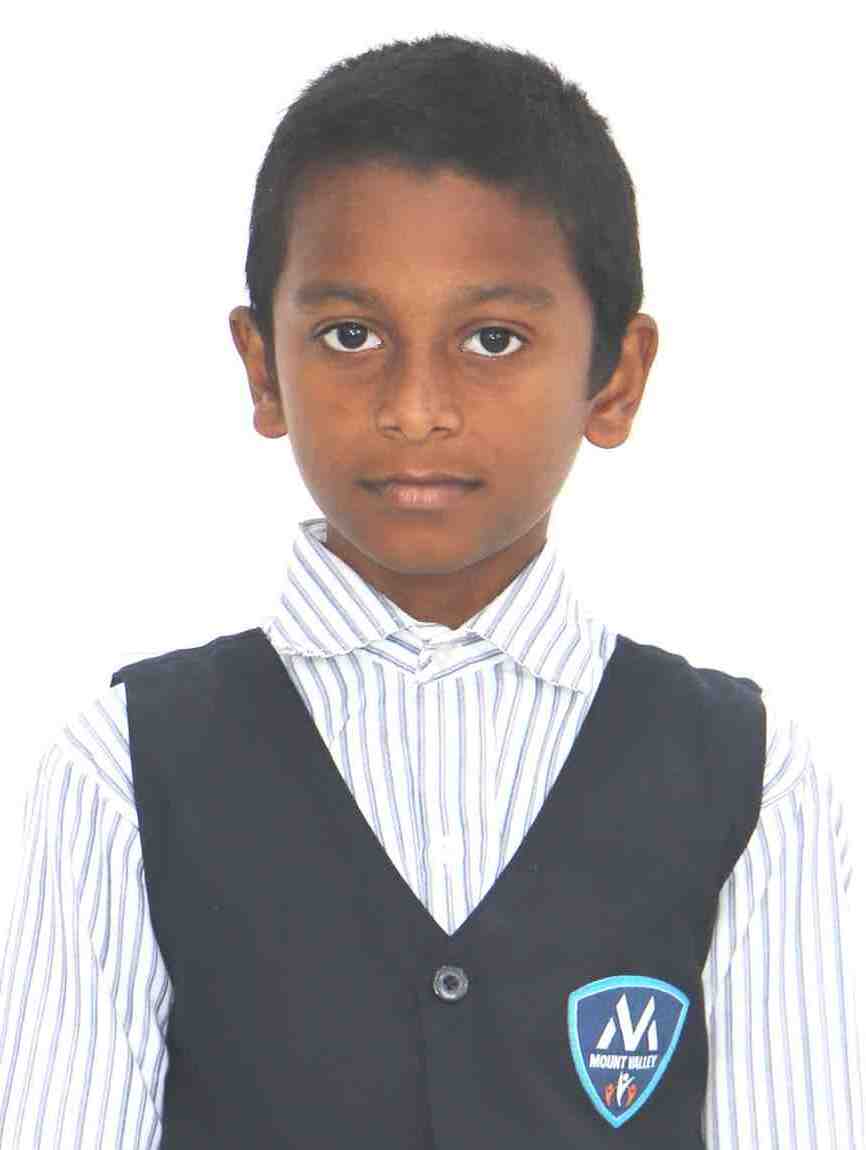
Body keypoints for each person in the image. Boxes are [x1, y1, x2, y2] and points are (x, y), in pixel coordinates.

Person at [0, 32, 861, 1150]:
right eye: (350, 334)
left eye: (492, 339)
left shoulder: (751, 781)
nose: (416, 408)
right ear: (263, 368)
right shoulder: (122, 771)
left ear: (614, 378)